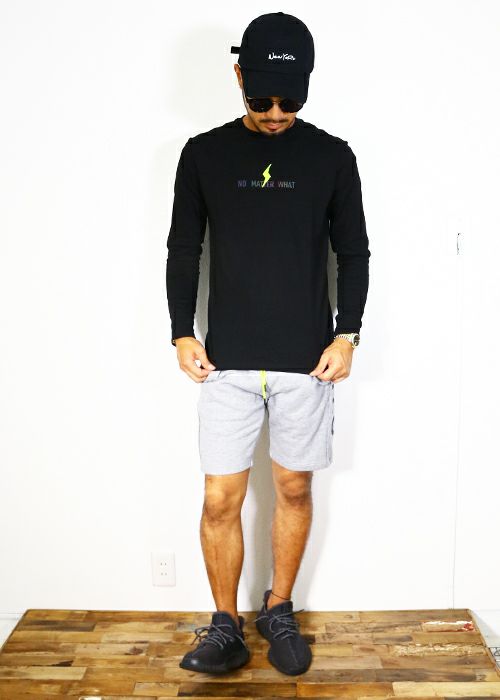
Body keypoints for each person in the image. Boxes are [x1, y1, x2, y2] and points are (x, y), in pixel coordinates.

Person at [166, 12, 371, 676]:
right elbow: (184, 248)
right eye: (262, 100)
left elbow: (354, 252)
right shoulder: (203, 154)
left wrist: (347, 334)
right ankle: (224, 626)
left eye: (290, 100)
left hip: (306, 362)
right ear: (239, 78)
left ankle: (278, 608)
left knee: (293, 488)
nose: (277, 114)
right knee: (219, 498)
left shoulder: (332, 156)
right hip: (224, 362)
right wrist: (181, 330)